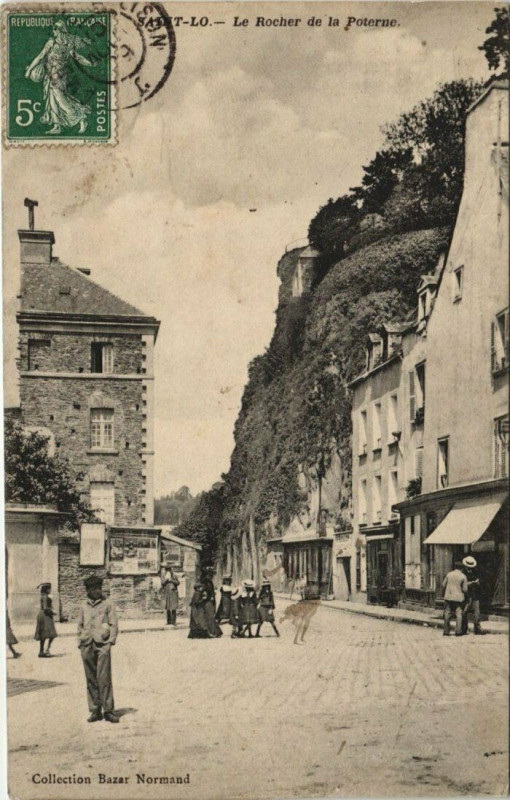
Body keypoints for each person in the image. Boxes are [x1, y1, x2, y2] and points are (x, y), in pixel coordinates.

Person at [24, 20, 94, 134]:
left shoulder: (66, 44)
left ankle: (80, 118)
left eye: (55, 29)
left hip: (58, 76)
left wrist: (89, 63)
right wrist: (30, 70)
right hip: (51, 75)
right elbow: (40, 56)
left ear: (60, 30)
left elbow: (77, 57)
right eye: (53, 29)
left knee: (61, 99)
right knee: (53, 100)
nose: (53, 31)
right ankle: (57, 126)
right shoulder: (52, 43)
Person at [77, 575, 119, 723]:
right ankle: (95, 710)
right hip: (86, 644)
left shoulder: (108, 604)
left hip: (102, 645)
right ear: (88, 590)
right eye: (94, 588)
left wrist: (110, 643)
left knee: (104, 678)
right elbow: (80, 625)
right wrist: (80, 642)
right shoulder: (83, 606)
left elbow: (113, 624)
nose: (98, 591)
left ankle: (108, 710)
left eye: (99, 588)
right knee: (90, 679)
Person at [442, 561, 468, 636]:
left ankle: (446, 631)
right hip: (458, 598)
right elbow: (465, 589)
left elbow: (443, 585)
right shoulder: (463, 576)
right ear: (461, 568)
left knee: (447, 613)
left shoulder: (449, 574)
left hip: (448, 597)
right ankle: (458, 631)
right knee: (459, 613)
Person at [462, 556, 484, 635]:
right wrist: (471, 583)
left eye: (471, 567)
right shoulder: (463, 572)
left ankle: (477, 629)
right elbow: (462, 584)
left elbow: (480, 582)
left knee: (477, 612)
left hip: (475, 595)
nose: (470, 569)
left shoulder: (476, 572)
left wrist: (477, 583)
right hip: (466, 595)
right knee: (464, 612)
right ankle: (464, 628)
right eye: (468, 567)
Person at [34, 582, 57, 657]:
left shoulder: (44, 596)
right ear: (47, 589)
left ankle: (41, 652)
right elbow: (45, 608)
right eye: (49, 588)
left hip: (43, 615)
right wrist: (53, 611)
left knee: (43, 635)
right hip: (45, 616)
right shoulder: (45, 597)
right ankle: (47, 650)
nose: (50, 590)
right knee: (52, 634)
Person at [201, 567, 222, 637]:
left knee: (211, 616)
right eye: (210, 575)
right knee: (209, 616)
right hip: (207, 601)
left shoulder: (209, 582)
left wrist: (213, 595)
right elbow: (204, 592)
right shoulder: (205, 582)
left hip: (211, 601)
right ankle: (212, 632)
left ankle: (213, 631)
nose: (211, 576)